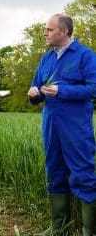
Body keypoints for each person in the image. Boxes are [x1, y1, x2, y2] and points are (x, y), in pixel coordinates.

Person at [28, 14, 96, 235]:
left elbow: (93, 88)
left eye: (49, 29)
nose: (45, 33)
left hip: (76, 126)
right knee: (54, 172)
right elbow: (36, 89)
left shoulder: (85, 55)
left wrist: (62, 90)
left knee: (83, 174)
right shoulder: (46, 59)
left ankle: (88, 231)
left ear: (64, 31)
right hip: (51, 123)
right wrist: (34, 94)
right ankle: (60, 229)